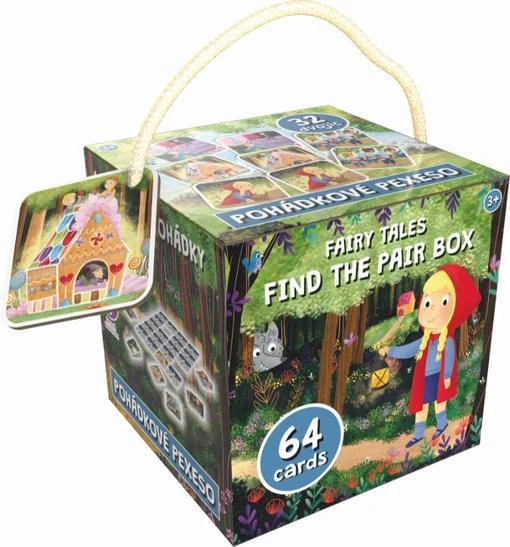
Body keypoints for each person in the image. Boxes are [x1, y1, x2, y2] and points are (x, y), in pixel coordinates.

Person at [379, 265, 481, 448]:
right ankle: (418, 434)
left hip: (439, 376)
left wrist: (447, 376)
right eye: (427, 304)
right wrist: (391, 350)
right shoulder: (425, 339)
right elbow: (409, 350)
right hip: (424, 377)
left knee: (439, 402)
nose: (431, 309)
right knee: (422, 405)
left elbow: (449, 358)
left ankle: (441, 425)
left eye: (442, 302)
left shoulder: (447, 339)